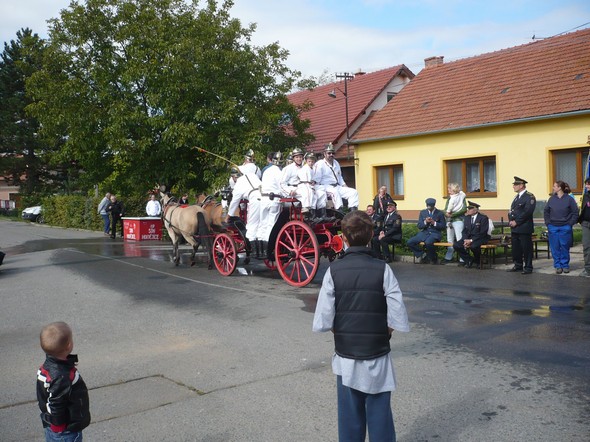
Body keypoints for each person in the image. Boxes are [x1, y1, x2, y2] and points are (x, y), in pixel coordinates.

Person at [312, 210, 410, 442]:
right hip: (377, 352)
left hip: (346, 355)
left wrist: (341, 332)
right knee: (380, 416)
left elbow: (325, 317)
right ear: (372, 235)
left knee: (349, 418)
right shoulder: (383, 269)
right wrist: (385, 333)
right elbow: (396, 314)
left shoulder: (333, 271)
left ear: (343, 238)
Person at [36, 321, 90, 442]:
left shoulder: (48, 367)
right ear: (69, 345)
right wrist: (58, 427)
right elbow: (56, 403)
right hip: (64, 431)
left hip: (52, 427)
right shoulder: (62, 376)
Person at [544, 180, 578, 274]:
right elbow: (546, 211)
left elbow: (575, 212)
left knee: (564, 247)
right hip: (553, 227)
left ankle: (565, 265)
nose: (553, 188)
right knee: (555, 247)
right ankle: (558, 266)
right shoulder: (551, 199)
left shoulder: (569, 199)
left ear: (559, 188)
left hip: (565, 227)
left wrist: (570, 224)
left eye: (554, 186)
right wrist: (548, 223)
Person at [314, 143, 359, 211]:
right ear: (324, 154)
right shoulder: (320, 164)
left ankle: (353, 213)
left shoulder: (336, 163)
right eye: (329, 153)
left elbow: (340, 177)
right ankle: (339, 211)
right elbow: (316, 179)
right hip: (325, 187)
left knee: (353, 192)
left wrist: (345, 186)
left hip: (337, 186)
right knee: (335, 192)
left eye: (333, 153)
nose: (331, 155)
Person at [226, 167, 262, 248]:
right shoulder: (252, 175)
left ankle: (254, 250)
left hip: (255, 200)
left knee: (251, 226)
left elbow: (234, 202)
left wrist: (228, 216)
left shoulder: (238, 185)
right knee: (262, 225)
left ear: (234, 177)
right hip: (267, 198)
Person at [507, 176, 536, 274]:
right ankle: (518, 265)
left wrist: (517, 222)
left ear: (521, 185)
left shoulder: (529, 196)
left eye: (515, 185)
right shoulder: (516, 197)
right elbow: (512, 211)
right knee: (516, 248)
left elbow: (527, 211)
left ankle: (528, 267)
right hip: (515, 227)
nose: (513, 187)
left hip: (524, 227)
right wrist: (511, 220)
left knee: (526, 248)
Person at [407, 198, 446, 264]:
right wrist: (425, 222)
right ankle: (423, 254)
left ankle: (433, 258)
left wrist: (434, 223)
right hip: (424, 233)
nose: (429, 208)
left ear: (434, 205)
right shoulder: (423, 212)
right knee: (410, 242)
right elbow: (419, 226)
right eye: (428, 206)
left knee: (428, 242)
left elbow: (443, 226)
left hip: (435, 233)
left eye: (430, 207)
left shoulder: (440, 213)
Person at [453, 201, 490, 268]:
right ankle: (469, 260)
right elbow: (464, 231)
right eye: (468, 208)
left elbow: (483, 232)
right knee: (456, 245)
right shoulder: (467, 218)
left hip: (479, 238)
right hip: (468, 238)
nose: (468, 210)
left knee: (474, 246)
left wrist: (471, 240)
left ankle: (478, 261)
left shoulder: (483, 218)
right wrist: (465, 240)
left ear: (475, 210)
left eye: (470, 209)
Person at [280, 148, 313, 218]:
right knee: (306, 191)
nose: (299, 159)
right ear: (293, 158)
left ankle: (316, 212)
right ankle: (306, 209)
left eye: (300, 157)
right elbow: (282, 183)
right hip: (292, 189)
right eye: (297, 157)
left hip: (301, 187)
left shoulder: (305, 167)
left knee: (315, 192)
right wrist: (289, 191)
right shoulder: (288, 168)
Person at [442, 183, 467, 263]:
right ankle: (449, 257)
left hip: (458, 220)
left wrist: (452, 215)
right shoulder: (450, 198)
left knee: (460, 239)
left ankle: (463, 258)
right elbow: (446, 208)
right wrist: (445, 212)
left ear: (453, 189)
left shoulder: (461, 197)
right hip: (449, 221)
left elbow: (464, 209)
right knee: (449, 239)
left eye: (449, 189)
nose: (448, 191)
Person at [301, 152, 328, 221]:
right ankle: (311, 216)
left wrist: (314, 182)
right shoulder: (305, 168)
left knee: (322, 191)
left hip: (312, 184)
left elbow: (315, 178)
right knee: (312, 194)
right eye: (309, 161)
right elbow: (305, 180)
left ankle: (322, 213)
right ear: (306, 161)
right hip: (305, 185)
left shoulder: (312, 169)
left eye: (312, 161)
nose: (311, 163)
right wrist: (310, 183)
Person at [579, 177, 590, 278]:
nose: (586, 186)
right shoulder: (586, 195)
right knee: (586, 246)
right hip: (586, 224)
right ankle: (588, 269)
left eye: (588, 184)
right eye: (586, 184)